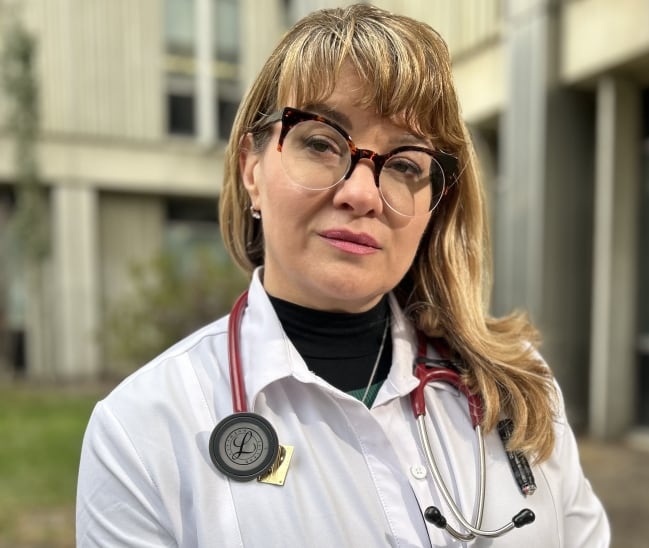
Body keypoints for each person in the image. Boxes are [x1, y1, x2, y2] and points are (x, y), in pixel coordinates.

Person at [76, 4, 609, 546]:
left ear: (433, 205)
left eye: (404, 164)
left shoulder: (519, 387)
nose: (362, 193)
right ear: (251, 168)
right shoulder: (142, 431)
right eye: (321, 142)